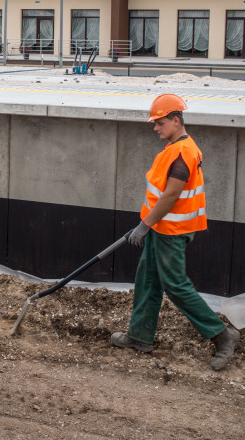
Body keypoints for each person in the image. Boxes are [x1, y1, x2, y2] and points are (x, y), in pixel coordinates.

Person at [111, 94, 239, 371]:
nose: (155, 128)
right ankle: (139, 336)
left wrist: (144, 225)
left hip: (171, 230)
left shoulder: (183, 152)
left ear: (175, 120)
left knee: (175, 284)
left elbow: (170, 196)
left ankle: (223, 335)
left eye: (159, 123)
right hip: (161, 227)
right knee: (148, 279)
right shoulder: (175, 148)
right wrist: (149, 225)